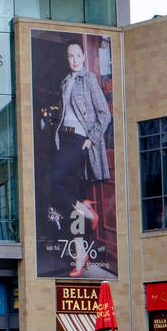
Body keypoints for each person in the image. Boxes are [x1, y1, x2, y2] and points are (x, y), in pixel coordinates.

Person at [51, 41, 113, 278]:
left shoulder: (88, 80)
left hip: (79, 140)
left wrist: (90, 139)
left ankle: (90, 213)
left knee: (52, 184)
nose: (75, 59)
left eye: (78, 55)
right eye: (70, 56)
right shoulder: (65, 82)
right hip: (64, 140)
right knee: (73, 198)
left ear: (84, 56)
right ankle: (80, 258)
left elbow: (104, 114)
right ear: (67, 59)